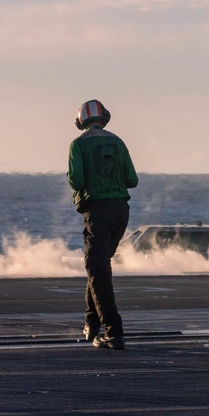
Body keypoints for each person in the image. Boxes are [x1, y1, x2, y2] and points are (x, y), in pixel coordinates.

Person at [67, 99, 138, 350]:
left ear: (81, 122)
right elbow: (132, 179)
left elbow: (76, 180)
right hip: (120, 211)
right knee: (98, 265)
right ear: (104, 118)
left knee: (97, 270)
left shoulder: (77, 144)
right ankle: (91, 324)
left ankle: (113, 331)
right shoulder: (118, 142)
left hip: (97, 210)